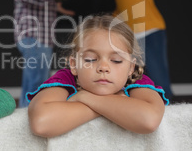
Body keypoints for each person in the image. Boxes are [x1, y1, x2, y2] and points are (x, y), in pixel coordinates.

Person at [27, 14, 169, 138]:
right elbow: (41, 123)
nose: (103, 68)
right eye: (90, 59)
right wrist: (115, 106)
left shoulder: (135, 79)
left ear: (131, 68)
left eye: (116, 60)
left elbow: (149, 121)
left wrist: (85, 97)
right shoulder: (66, 78)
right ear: (74, 65)